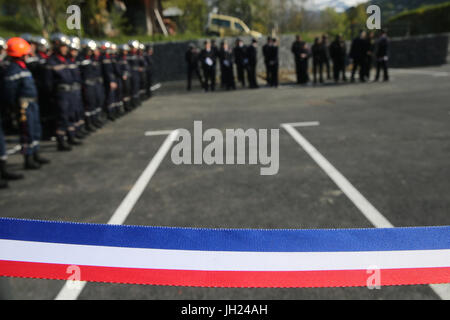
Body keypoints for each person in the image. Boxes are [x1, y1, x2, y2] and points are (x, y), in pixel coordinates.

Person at [4, 37, 50, 168]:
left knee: (35, 129)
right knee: (27, 131)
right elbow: (10, 92)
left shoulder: (23, 67)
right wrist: (13, 107)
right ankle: (28, 158)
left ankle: (35, 153)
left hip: (32, 103)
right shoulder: (13, 69)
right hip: (23, 105)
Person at [46, 33, 80, 151]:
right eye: (63, 46)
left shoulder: (66, 59)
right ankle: (61, 140)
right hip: (61, 93)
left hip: (70, 92)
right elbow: (48, 81)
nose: (66, 49)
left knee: (71, 115)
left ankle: (71, 136)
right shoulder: (51, 61)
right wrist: (52, 95)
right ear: (56, 46)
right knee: (62, 117)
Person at [100, 41, 119, 121]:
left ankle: (113, 112)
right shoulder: (104, 58)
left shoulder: (110, 57)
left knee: (113, 97)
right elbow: (107, 71)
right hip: (107, 81)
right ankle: (109, 113)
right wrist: (111, 81)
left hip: (112, 79)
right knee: (109, 98)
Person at [117, 44, 133, 111]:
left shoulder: (127, 57)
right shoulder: (119, 59)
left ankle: (128, 105)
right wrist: (122, 74)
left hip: (128, 76)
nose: (126, 52)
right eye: (124, 51)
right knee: (123, 92)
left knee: (128, 91)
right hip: (123, 78)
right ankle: (124, 106)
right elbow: (118, 69)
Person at [127, 40, 141, 107]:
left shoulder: (137, 54)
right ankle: (133, 102)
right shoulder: (128, 55)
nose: (135, 49)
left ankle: (136, 100)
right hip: (131, 73)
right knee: (132, 88)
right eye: (133, 48)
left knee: (136, 87)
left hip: (136, 73)